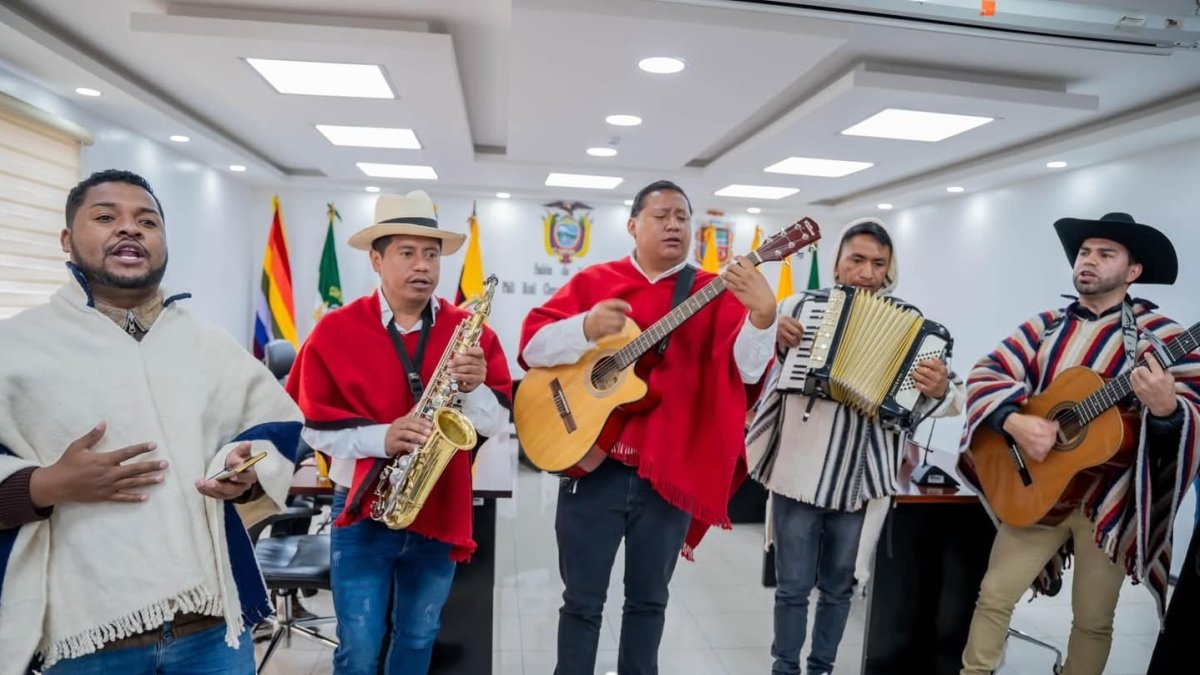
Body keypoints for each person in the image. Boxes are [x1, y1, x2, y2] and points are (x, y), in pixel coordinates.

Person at [0, 169, 302, 675]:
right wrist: (46, 484)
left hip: (209, 628)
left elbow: (274, 427)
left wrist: (244, 473)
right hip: (83, 639)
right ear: (67, 240)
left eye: (147, 221)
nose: (130, 228)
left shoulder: (209, 346)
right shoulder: (16, 349)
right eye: (105, 217)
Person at [518, 179, 777, 675]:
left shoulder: (713, 291)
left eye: (683, 216)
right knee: (581, 602)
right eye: (662, 215)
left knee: (648, 603)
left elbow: (745, 372)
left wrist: (763, 317)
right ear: (633, 225)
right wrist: (584, 329)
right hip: (593, 469)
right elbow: (532, 348)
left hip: (669, 474)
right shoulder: (595, 282)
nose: (675, 224)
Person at [956, 212, 1200, 675]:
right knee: (993, 596)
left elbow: (1192, 414)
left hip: (1110, 507)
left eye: (1105, 254)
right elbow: (986, 374)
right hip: (1035, 489)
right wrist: (1013, 421)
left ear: (1133, 272)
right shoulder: (1045, 327)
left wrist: (1168, 411)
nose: (1089, 260)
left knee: (1092, 621)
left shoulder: (1164, 338)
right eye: (1085, 252)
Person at [287, 189, 512, 675]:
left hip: (440, 504)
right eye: (406, 252)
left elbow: (496, 423)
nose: (422, 266)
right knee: (359, 648)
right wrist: (380, 437)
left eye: (431, 254)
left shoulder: (471, 332)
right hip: (363, 511)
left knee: (418, 637)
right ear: (376, 258)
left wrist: (473, 387)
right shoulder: (333, 331)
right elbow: (312, 426)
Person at [746, 218, 965, 675]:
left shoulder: (914, 326)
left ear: (889, 269)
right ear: (838, 262)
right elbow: (762, 372)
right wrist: (776, 342)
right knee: (791, 586)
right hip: (798, 471)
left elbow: (949, 397)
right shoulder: (799, 305)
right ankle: (784, 667)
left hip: (861, 479)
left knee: (840, 586)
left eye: (878, 264)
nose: (867, 272)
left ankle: (821, 667)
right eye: (857, 260)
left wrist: (940, 386)